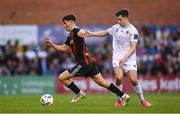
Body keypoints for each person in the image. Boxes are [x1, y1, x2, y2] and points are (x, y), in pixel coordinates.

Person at [45, 14, 130, 106]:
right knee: (102, 83)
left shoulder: (77, 31)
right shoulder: (70, 36)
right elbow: (64, 48)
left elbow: (82, 32)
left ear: (71, 22)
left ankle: (79, 93)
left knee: (62, 77)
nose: (64, 25)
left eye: (65, 23)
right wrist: (52, 44)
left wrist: (86, 33)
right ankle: (124, 95)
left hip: (83, 64)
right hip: (90, 63)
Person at [87, 9, 151, 107]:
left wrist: (125, 58)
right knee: (119, 78)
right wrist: (91, 34)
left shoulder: (133, 31)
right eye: (117, 19)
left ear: (126, 18)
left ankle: (142, 100)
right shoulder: (115, 27)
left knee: (134, 80)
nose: (118, 21)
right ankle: (120, 100)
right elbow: (104, 33)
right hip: (117, 58)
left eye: (120, 19)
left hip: (129, 58)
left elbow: (133, 47)